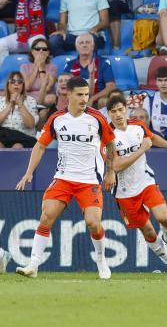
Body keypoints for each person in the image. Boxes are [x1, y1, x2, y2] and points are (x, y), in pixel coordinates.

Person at [15, 76, 116, 279]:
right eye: (79, 94)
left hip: (89, 180)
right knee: (46, 217)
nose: (84, 99)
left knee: (93, 223)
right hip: (64, 178)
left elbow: (111, 145)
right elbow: (40, 145)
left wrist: (111, 171)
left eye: (86, 95)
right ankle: (33, 265)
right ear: (67, 94)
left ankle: (101, 259)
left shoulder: (97, 118)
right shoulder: (57, 119)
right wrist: (28, 172)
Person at [106, 95, 167, 273]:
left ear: (126, 109)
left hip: (145, 182)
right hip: (124, 192)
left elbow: (152, 138)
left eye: (120, 110)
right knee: (148, 232)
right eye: (113, 111)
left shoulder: (138, 126)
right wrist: (142, 149)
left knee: (164, 218)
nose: (118, 114)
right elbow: (116, 166)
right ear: (109, 114)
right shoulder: (108, 137)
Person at [0, 0, 49, 65]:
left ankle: (37, 75)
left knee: (38, 46)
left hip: (37, 35)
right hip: (20, 36)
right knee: (1, 44)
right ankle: (3, 73)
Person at [62, 33, 117, 108]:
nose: (84, 45)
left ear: (93, 46)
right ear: (76, 47)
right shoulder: (69, 65)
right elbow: (65, 87)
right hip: (75, 101)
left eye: (87, 42)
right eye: (81, 43)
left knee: (103, 101)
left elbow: (111, 87)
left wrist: (92, 99)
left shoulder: (103, 63)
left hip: (97, 101)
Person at [0, 71, 39, 148]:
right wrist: (10, 104)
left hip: (24, 137)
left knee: (17, 146)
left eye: (20, 81)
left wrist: (20, 104)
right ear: (8, 85)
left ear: (23, 86)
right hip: (3, 137)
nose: (16, 84)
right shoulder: (0, 101)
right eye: (12, 81)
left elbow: (31, 124)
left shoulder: (31, 100)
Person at [20, 38, 57, 106]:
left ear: (48, 53)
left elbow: (47, 88)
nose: (41, 51)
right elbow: (27, 87)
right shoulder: (24, 67)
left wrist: (41, 68)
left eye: (44, 49)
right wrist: (36, 67)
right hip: (29, 97)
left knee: (49, 99)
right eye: (37, 49)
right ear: (32, 51)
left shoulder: (52, 67)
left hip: (45, 98)